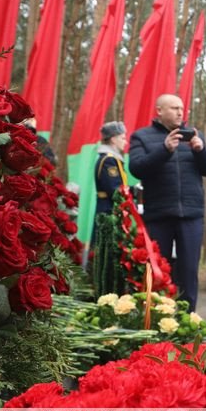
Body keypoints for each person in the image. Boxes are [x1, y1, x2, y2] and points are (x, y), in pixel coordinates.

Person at [129, 94, 206, 311]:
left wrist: (201, 151)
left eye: (181, 108)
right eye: (174, 108)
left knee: (189, 269)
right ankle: (158, 317)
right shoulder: (142, 136)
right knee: (159, 268)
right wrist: (164, 149)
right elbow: (136, 168)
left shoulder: (195, 136)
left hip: (191, 214)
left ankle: (188, 318)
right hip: (159, 213)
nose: (180, 112)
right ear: (159, 111)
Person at [88, 121, 128, 292]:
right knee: (105, 251)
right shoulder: (109, 161)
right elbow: (114, 189)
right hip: (107, 211)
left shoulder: (111, 159)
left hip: (108, 209)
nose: (125, 141)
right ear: (113, 139)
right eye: (122, 137)